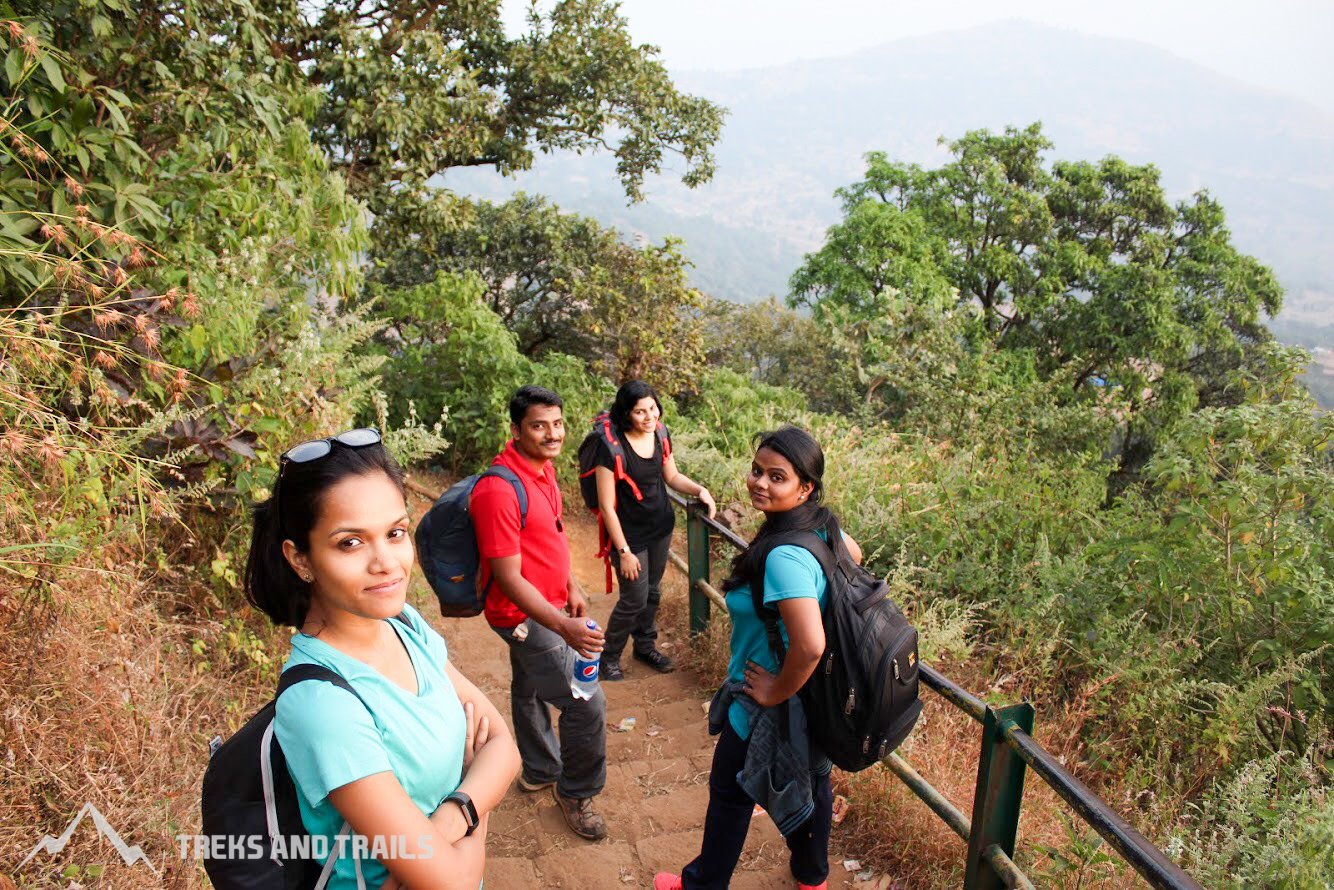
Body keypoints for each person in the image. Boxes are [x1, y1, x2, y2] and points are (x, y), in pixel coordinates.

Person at [244, 428, 521, 890]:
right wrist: (476, 794)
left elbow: (504, 747)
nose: (386, 563)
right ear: (300, 559)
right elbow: (452, 881)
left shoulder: (404, 625)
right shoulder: (323, 704)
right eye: (350, 542)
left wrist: (454, 817)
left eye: (395, 533)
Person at [655, 426, 862, 890]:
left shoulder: (784, 557)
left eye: (777, 477)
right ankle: (812, 877)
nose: (759, 483)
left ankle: (702, 884)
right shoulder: (823, 526)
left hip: (765, 697)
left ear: (805, 487)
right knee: (813, 782)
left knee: (729, 795)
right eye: (756, 471)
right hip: (816, 696)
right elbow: (854, 555)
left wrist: (775, 690)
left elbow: (810, 645)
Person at [469, 385, 610, 841]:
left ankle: (539, 768)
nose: (552, 434)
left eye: (558, 424)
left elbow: (551, 534)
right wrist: (564, 626)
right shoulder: (498, 489)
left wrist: (570, 585)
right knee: (586, 701)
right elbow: (509, 578)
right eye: (539, 426)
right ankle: (576, 791)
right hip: (521, 615)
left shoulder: (541, 469)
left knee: (529, 686)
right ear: (516, 430)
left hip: (548, 602)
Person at [593, 380, 716, 681]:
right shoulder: (610, 448)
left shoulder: (660, 433)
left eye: (652, 408)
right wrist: (623, 552)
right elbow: (607, 506)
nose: (650, 416)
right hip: (629, 536)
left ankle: (644, 647)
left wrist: (700, 490)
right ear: (626, 414)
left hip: (660, 527)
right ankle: (609, 657)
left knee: (651, 592)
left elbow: (671, 476)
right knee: (633, 598)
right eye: (640, 412)